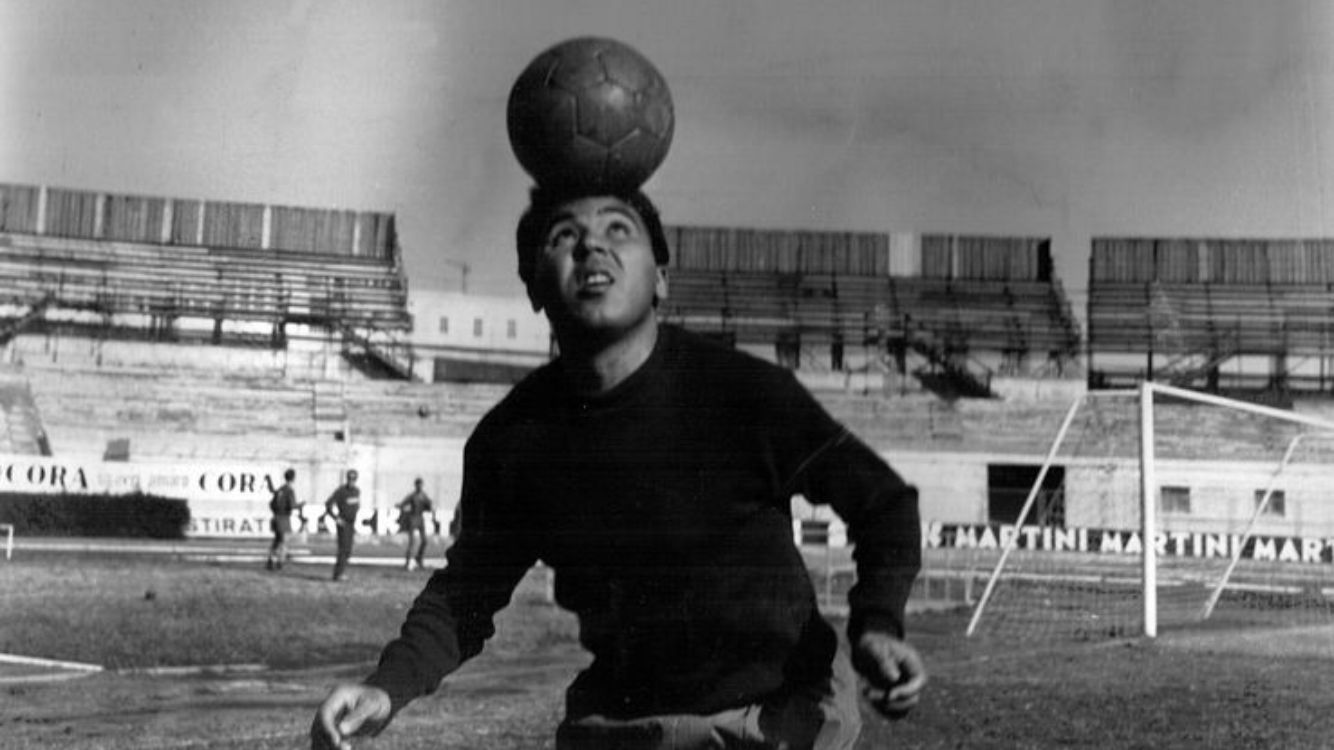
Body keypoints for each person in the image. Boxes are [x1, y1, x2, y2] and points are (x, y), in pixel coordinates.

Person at [311, 186, 926, 750]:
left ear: (661, 279)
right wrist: (387, 686)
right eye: (563, 235)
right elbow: (466, 594)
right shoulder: (512, 440)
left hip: (779, 718)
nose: (592, 245)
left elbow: (884, 505)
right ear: (533, 287)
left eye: (618, 229)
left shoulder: (746, 394)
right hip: (626, 726)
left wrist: (878, 624)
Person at [324, 469, 361, 582]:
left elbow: (356, 505)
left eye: (353, 479)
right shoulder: (341, 491)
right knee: (343, 549)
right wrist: (336, 518)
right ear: (347, 479)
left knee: (348, 549)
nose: (351, 481)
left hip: (351, 524)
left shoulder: (357, 491)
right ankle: (338, 573)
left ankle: (341, 572)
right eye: (350, 479)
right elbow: (328, 504)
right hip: (343, 523)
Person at [396, 477, 434, 571]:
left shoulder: (424, 495)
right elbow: (403, 504)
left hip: (420, 519)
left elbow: (428, 507)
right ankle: (407, 563)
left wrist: (430, 505)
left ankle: (419, 559)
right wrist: (400, 506)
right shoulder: (412, 495)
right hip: (413, 519)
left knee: (424, 541)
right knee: (412, 542)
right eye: (418, 484)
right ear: (415, 485)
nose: (419, 486)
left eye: (421, 484)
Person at [266, 468, 301, 571]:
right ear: (293, 478)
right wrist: (301, 505)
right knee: (284, 541)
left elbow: (271, 503)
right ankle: (280, 561)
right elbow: (292, 505)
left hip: (276, 516)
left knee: (277, 540)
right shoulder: (289, 490)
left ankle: (270, 559)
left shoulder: (280, 489)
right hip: (284, 518)